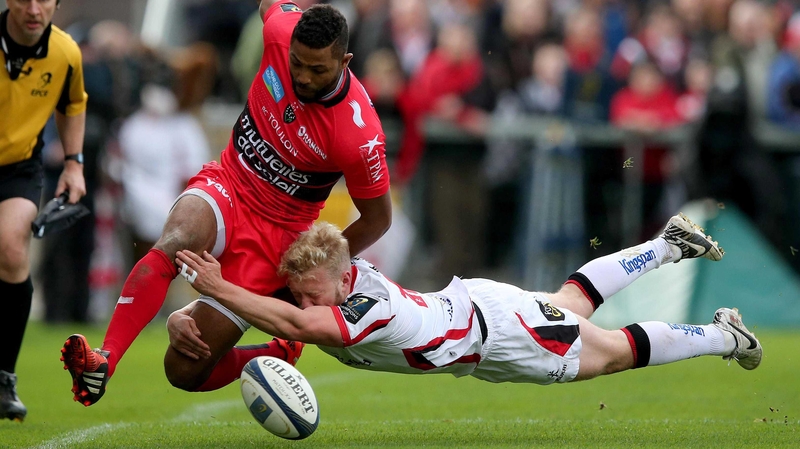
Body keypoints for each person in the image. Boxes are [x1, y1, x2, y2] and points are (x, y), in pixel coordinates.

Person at [61, 1, 392, 407]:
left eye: (318, 70)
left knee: (183, 369)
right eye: (297, 64)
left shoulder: (358, 135)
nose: (303, 77)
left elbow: (377, 219)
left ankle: (276, 352)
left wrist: (318, 262)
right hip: (228, 184)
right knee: (175, 240)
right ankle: (104, 362)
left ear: (345, 60)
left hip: (277, 239)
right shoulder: (277, 30)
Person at [167, 216, 762, 391]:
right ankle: (665, 246)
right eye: (297, 291)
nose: (301, 300)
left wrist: (216, 289)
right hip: (480, 309)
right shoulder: (331, 290)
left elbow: (293, 322)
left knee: (608, 354)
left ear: (346, 281)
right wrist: (184, 318)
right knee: (570, 302)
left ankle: (725, 335)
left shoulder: (362, 309)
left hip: (498, 336)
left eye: (312, 291)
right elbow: (283, 324)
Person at [1, 0, 88, 421]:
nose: (34, 8)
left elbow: (72, 104)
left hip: (18, 165)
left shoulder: (66, 52)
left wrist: (74, 163)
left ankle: (3, 379)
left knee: (12, 250)